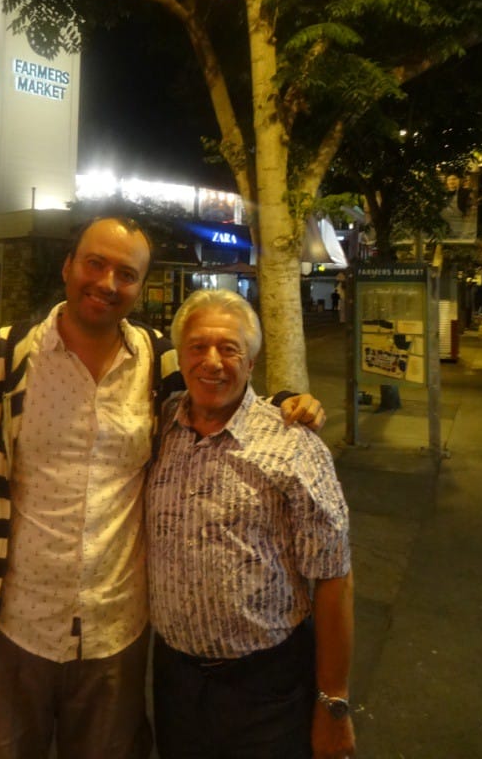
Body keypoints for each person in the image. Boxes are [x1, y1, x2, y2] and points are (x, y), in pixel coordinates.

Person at [0, 217, 326, 759]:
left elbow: (222, 391)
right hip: (12, 623)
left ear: (139, 287)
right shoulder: (7, 357)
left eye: (126, 274)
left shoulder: (158, 363)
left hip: (115, 629)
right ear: (68, 267)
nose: (107, 283)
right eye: (95, 264)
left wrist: (285, 405)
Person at [146, 289, 354, 759]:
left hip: (268, 688)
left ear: (252, 362)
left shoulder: (293, 445)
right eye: (198, 347)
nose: (212, 362)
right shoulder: (161, 427)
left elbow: (334, 578)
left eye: (229, 349)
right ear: (180, 357)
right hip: (175, 682)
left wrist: (334, 702)